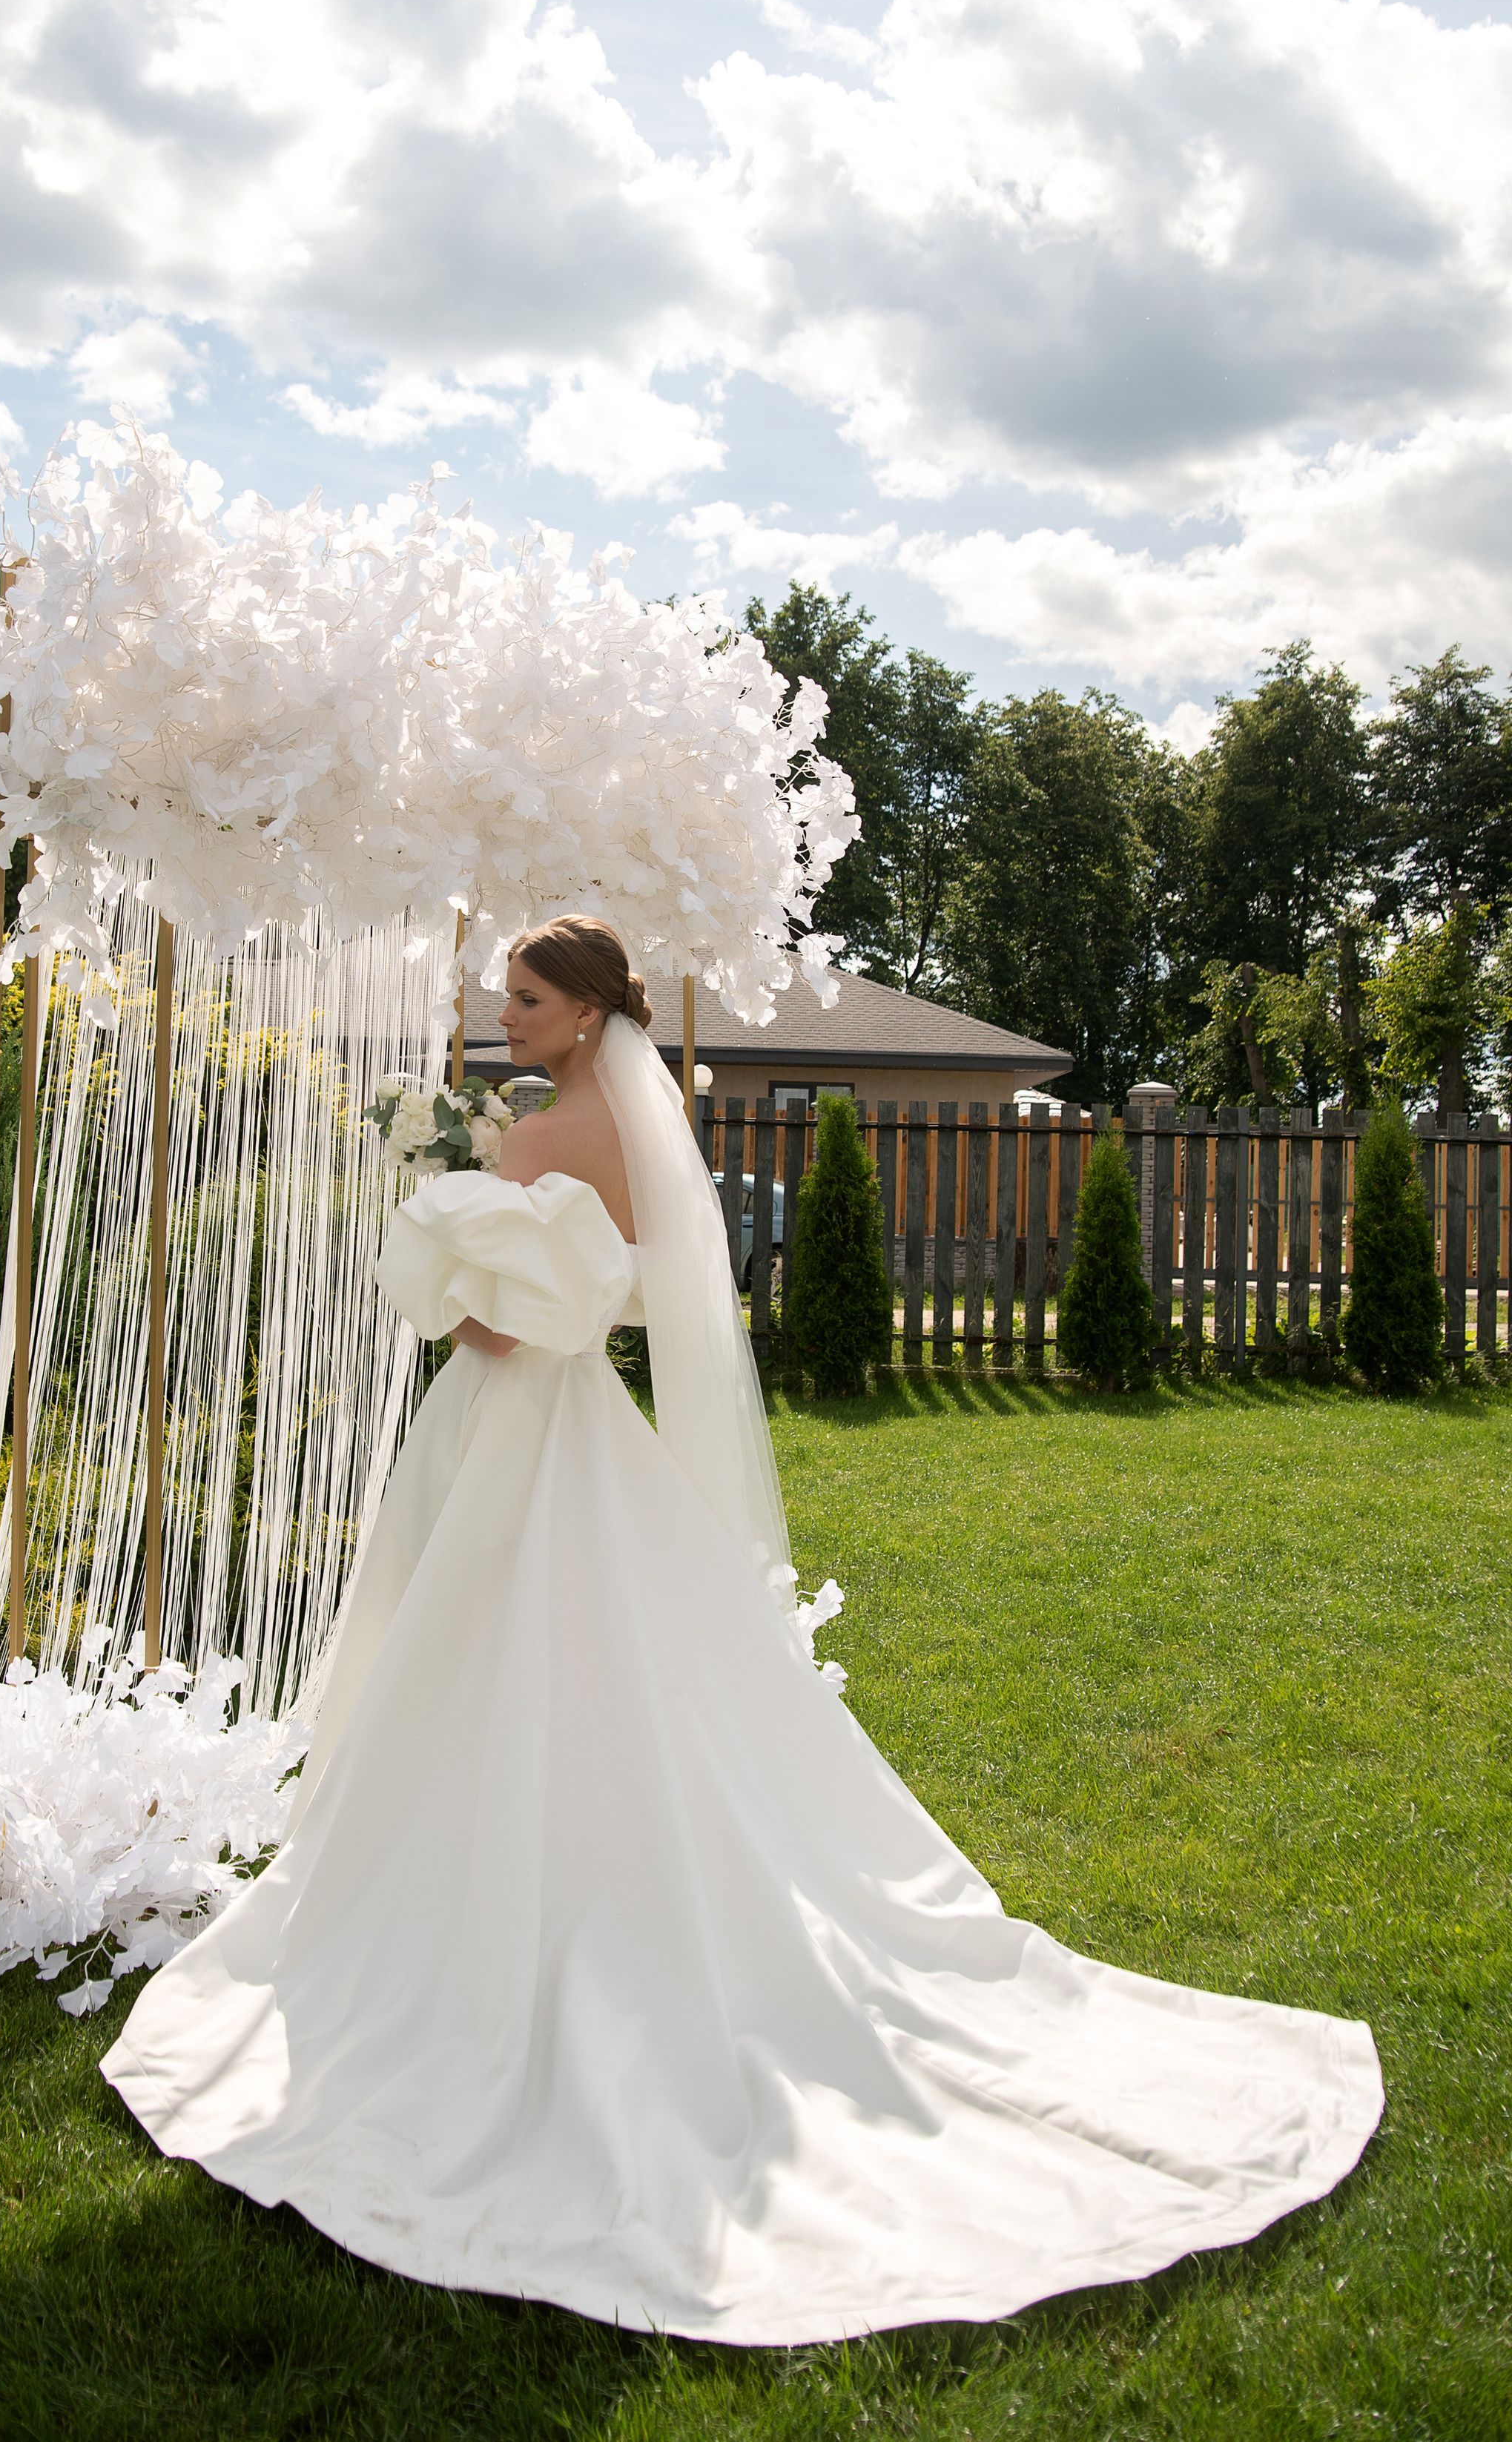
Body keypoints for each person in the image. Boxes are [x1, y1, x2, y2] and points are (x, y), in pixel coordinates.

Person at [102, 914, 1382, 2344]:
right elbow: (628, 1292)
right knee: (600, 1654)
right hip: (582, 1421)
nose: (502, 1010)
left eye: (524, 996)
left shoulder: (530, 1138)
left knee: (477, 1645)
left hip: (509, 1418)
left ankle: (467, 1919)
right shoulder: (632, 1130)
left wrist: (452, 1262)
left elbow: (510, 1327)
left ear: (586, 1010)